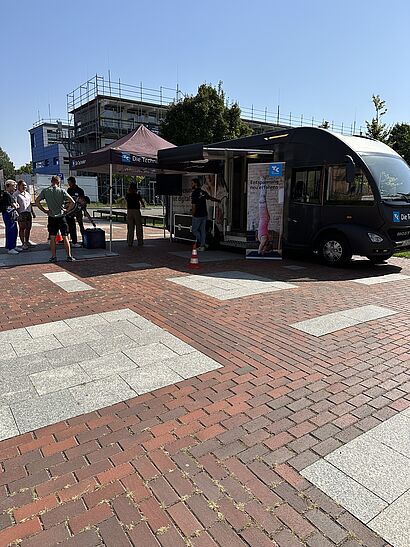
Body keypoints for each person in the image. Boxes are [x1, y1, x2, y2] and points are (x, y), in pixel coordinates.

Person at [35, 175, 75, 262]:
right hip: (61, 216)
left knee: (53, 237)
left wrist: (44, 210)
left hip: (52, 216)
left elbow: (37, 201)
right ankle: (69, 256)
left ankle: (53, 257)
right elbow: (72, 202)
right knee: (65, 236)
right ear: (58, 182)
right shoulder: (62, 191)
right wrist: (67, 210)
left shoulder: (45, 191)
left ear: (51, 181)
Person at [191, 178, 220, 251]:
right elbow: (210, 198)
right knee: (203, 230)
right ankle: (203, 245)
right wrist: (217, 200)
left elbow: (194, 205)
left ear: (195, 184)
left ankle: (202, 244)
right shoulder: (203, 192)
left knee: (194, 230)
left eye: (192, 183)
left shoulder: (194, 193)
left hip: (197, 215)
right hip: (204, 214)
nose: (191, 185)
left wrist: (193, 214)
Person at [14, 180, 36, 250]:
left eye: (25, 185)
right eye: (23, 185)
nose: (24, 187)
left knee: (28, 228)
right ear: (19, 186)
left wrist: (32, 212)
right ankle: (23, 243)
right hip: (21, 213)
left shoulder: (27, 194)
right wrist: (17, 214)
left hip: (28, 212)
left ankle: (27, 241)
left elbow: (30, 204)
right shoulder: (16, 194)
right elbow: (15, 204)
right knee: (22, 228)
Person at [1, 180, 20, 254]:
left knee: (14, 230)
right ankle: (10, 248)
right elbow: (15, 205)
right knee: (10, 230)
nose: (15, 187)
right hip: (8, 214)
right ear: (9, 186)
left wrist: (16, 205)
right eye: (13, 185)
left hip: (9, 214)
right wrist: (16, 205)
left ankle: (13, 246)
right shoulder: (7, 194)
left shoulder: (8, 194)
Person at [66, 176, 85, 247]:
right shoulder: (69, 190)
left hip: (78, 210)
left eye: (70, 183)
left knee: (80, 224)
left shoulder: (80, 190)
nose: (69, 185)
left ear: (73, 182)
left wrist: (83, 209)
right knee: (69, 224)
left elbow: (83, 201)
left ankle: (84, 239)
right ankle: (67, 238)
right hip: (71, 210)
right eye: (68, 183)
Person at [125, 183, 145, 247]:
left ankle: (130, 242)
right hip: (136, 210)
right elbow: (142, 202)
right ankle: (140, 242)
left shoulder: (127, 195)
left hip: (129, 211)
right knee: (139, 227)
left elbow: (126, 200)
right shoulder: (137, 195)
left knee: (130, 227)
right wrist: (143, 205)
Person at [256, 179, 270, 255]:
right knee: (263, 196)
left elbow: (261, 246)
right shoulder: (263, 239)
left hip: (264, 217)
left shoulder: (263, 240)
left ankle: (262, 180)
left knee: (263, 196)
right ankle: (262, 180)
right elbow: (261, 246)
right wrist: (260, 252)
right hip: (264, 217)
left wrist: (261, 252)